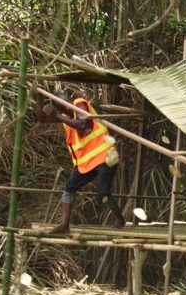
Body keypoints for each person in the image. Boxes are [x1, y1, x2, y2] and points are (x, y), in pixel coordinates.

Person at [36, 91, 124, 233]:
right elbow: (42, 119)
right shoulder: (65, 117)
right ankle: (64, 225)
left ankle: (120, 218)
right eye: (64, 107)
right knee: (69, 188)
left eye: (68, 103)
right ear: (60, 109)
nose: (68, 107)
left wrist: (57, 115)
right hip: (86, 163)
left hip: (105, 156)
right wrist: (38, 96)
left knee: (102, 193)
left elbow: (83, 124)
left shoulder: (79, 104)